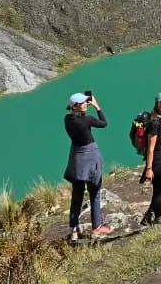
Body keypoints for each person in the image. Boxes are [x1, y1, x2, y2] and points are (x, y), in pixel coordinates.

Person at [63, 90, 110, 241]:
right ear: (75, 106)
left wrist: (83, 109)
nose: (86, 104)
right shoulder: (87, 120)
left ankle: (74, 229)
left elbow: (77, 117)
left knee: (76, 195)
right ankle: (97, 227)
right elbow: (104, 123)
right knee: (94, 192)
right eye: (83, 103)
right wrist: (97, 106)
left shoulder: (67, 120)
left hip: (77, 159)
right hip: (90, 158)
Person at [140, 65, 161, 227]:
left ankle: (150, 214)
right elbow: (151, 148)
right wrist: (148, 168)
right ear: (157, 104)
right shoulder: (154, 123)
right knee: (160, 188)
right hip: (157, 160)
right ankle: (158, 216)